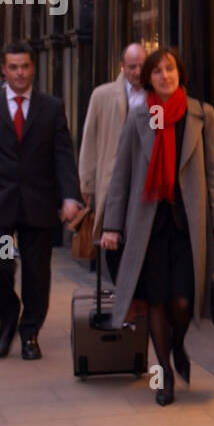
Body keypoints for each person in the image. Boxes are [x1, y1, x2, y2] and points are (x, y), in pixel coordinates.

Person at [101, 47, 214, 406]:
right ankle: (166, 374)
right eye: (157, 72)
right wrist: (111, 225)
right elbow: (120, 176)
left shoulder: (202, 115)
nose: (164, 76)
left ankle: (176, 345)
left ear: (179, 74)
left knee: (183, 299)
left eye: (169, 69)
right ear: (149, 79)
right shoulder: (138, 118)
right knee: (156, 298)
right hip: (149, 227)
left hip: (188, 224)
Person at [0, 41, 82, 360]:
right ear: (3, 70)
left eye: (25, 66)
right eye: (13, 67)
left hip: (38, 208)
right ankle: (8, 314)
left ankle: (29, 335)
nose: (19, 73)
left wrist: (71, 196)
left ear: (32, 68)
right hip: (0, 208)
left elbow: (63, 155)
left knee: (36, 273)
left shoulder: (51, 107)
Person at [78, 43, 146, 282]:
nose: (137, 72)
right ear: (121, 67)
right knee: (111, 239)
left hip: (145, 181)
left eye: (141, 66)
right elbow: (90, 139)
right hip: (111, 181)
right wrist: (86, 183)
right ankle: (122, 292)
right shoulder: (103, 95)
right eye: (131, 67)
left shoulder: (156, 96)